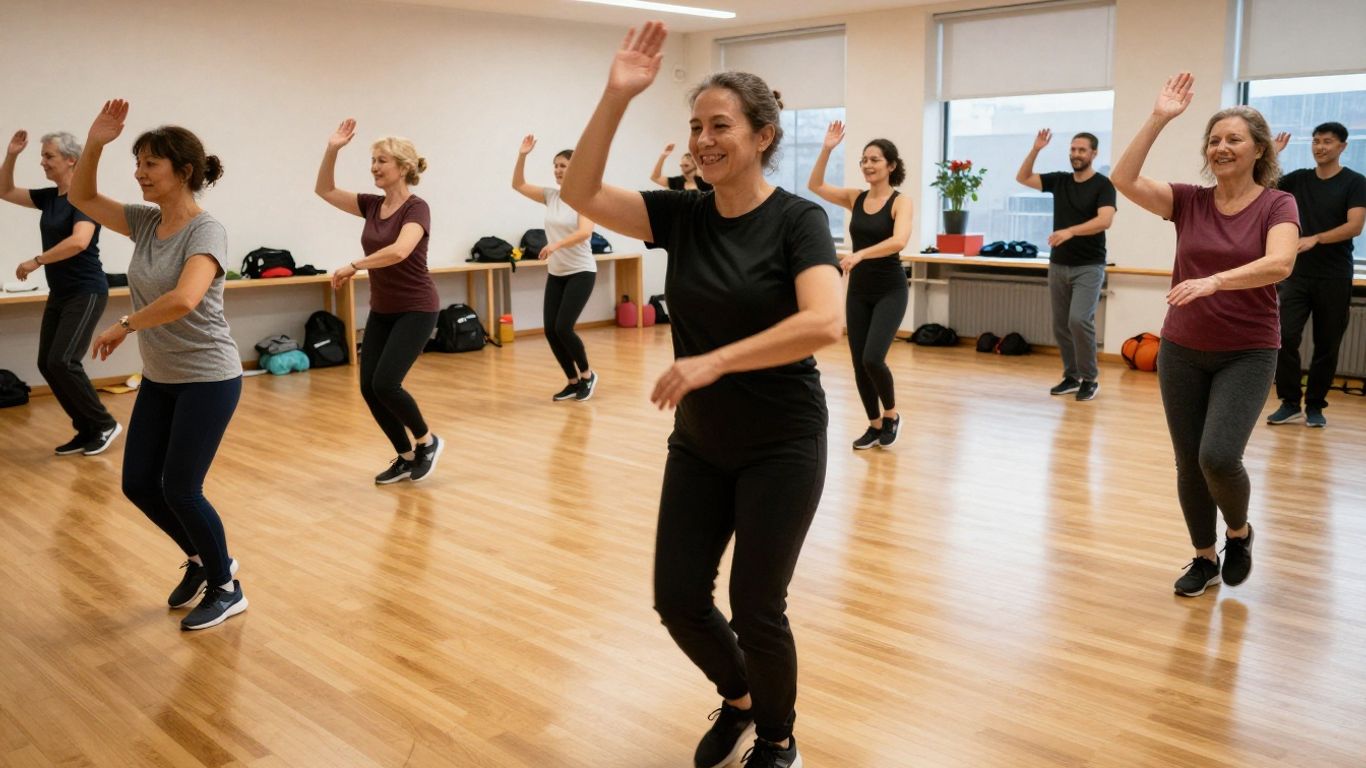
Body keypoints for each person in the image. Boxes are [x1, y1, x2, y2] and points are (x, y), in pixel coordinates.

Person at [562, 23, 843, 768]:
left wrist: (716, 359)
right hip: (701, 441)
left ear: (762, 135)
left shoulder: (797, 221)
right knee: (678, 597)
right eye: (695, 128)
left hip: (782, 441)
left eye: (720, 126)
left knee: (757, 608)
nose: (704, 140)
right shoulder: (682, 215)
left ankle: (779, 740)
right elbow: (578, 190)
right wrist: (617, 95)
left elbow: (826, 320)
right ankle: (743, 699)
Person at [1111, 74, 1299, 598]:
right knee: (1188, 460)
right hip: (1182, 350)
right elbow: (1123, 179)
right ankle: (1203, 556)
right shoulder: (1190, 201)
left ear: (1258, 149)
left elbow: (1280, 263)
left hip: (1248, 350)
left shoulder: (1277, 205)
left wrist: (1215, 281)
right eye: (1214, 140)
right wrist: (1159, 118)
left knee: (1218, 456)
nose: (1221, 147)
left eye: (1234, 139)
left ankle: (1238, 534)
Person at [70, 100, 248, 630]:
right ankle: (201, 559)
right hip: (163, 378)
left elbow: (185, 298)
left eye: (151, 164)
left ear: (183, 171)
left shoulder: (205, 230)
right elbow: (80, 195)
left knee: (181, 487)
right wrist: (95, 141)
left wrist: (124, 324)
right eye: (138, 162)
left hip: (209, 377)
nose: (140, 173)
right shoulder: (146, 223)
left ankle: (226, 585)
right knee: (139, 484)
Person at [316, 119, 443, 484]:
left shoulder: (417, 208)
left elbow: (401, 250)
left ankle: (427, 442)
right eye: (372, 160)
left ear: (402, 167)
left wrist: (355, 264)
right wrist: (332, 149)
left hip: (417, 307)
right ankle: (406, 456)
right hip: (383, 309)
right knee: (369, 387)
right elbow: (324, 189)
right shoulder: (372, 205)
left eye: (381, 160)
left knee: (386, 383)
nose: (374, 167)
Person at [2, 129, 121, 456]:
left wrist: (37, 260)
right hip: (61, 293)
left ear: (71, 160)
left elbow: (80, 241)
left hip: (86, 291)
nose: (42, 162)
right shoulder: (49, 198)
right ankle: (87, 429)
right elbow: (5, 190)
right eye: (42, 156)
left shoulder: (85, 200)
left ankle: (104, 423)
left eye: (48, 156)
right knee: (47, 363)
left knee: (64, 360)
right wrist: (12, 154)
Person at [807, 122, 911, 449]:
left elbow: (899, 241)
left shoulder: (899, 201)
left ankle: (892, 415)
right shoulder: (856, 197)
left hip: (890, 288)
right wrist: (827, 148)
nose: (867, 165)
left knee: (873, 358)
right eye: (864, 160)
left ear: (891, 166)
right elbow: (815, 184)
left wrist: (860, 253)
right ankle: (874, 423)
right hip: (859, 291)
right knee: (857, 363)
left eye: (875, 159)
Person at [1266, 122, 1366, 428]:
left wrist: (1317, 238)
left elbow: (1355, 226)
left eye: (1327, 142)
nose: (1320, 146)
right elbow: (1260, 189)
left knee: (1327, 344)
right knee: (1283, 337)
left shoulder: (1355, 182)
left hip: (1334, 276)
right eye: (1316, 141)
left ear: (1342, 147)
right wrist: (1272, 155)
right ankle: (1290, 402)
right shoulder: (1297, 180)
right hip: (1296, 275)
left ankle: (1315, 406)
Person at [1016, 128, 1117, 401]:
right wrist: (1036, 149)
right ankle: (1072, 376)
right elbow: (1022, 177)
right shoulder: (1060, 181)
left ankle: (1090, 378)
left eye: (1082, 150)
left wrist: (1071, 231)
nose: (1076, 154)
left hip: (1089, 265)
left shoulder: (1103, 185)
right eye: (1073, 149)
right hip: (1059, 264)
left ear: (1093, 153)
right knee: (1062, 324)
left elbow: (1105, 220)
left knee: (1079, 320)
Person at [511, 136, 600, 401]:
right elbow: (518, 184)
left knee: (563, 327)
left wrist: (556, 245)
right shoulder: (552, 196)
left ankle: (587, 375)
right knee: (550, 330)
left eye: (563, 165)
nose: (558, 170)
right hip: (558, 272)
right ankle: (572, 381)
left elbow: (585, 232)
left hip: (581, 271)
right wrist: (523, 154)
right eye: (556, 166)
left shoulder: (585, 198)